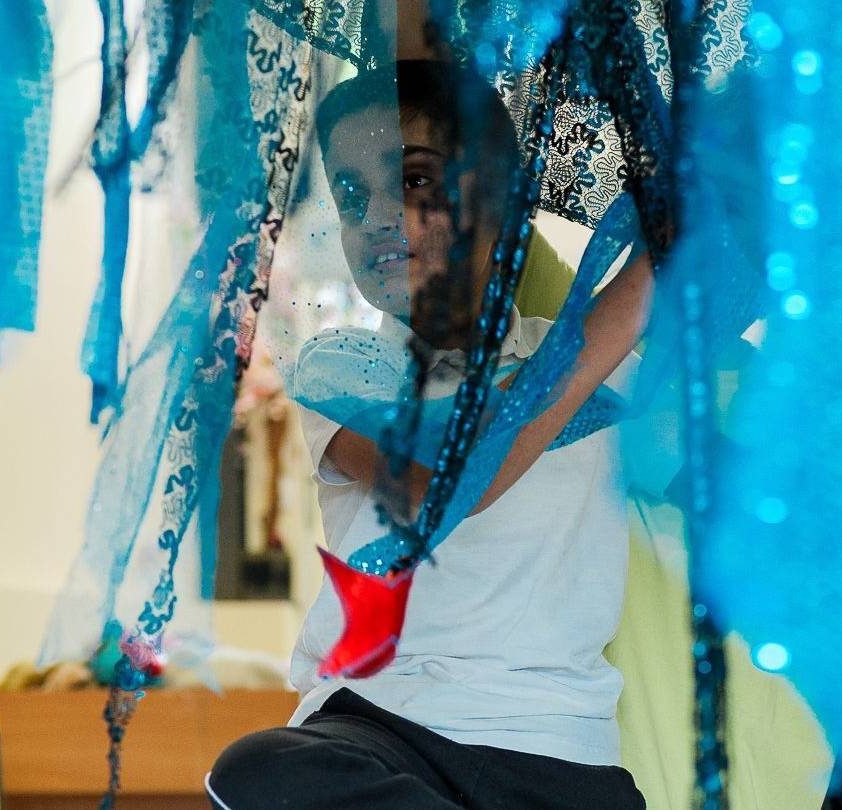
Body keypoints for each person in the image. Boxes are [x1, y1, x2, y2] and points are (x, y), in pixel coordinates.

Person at [207, 60, 653, 809]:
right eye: (352, 195)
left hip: (563, 761)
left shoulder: (619, 374)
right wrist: (643, 286)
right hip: (379, 734)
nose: (377, 215)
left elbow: (777, 503)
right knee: (255, 771)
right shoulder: (345, 365)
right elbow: (449, 477)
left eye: (415, 180)